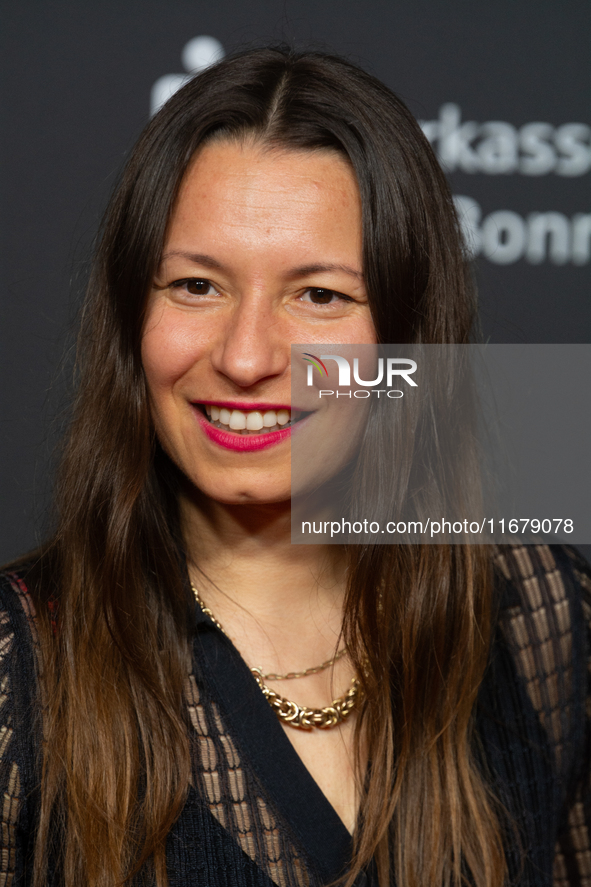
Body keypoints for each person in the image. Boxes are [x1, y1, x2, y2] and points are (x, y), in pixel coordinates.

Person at [0, 46, 589, 887]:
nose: (246, 358)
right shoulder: (19, 669)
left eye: (319, 296)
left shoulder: (541, 616)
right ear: (132, 313)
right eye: (197, 285)